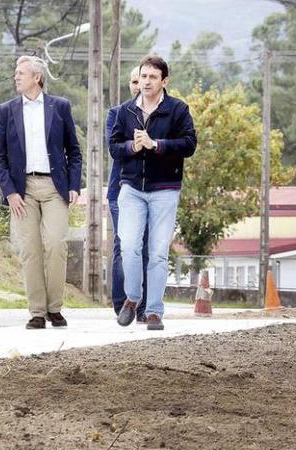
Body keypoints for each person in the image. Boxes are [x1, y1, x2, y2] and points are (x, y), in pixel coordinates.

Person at [0, 55, 83, 329]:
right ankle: (37, 312)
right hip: (22, 191)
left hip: (55, 187)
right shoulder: (6, 110)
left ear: (37, 78)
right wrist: (9, 191)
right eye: (15, 73)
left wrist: (74, 186)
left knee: (56, 244)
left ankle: (55, 308)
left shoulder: (60, 107)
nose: (16, 77)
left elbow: (74, 151)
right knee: (29, 251)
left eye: (21, 73)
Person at [110, 55, 197, 331]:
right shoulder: (126, 111)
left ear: (164, 81)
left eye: (152, 77)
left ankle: (155, 311)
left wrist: (156, 144)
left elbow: (189, 144)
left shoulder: (178, 109)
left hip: (165, 190)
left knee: (158, 252)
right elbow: (114, 147)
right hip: (132, 189)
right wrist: (132, 148)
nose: (146, 82)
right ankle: (132, 299)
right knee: (128, 246)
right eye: (143, 76)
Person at [107, 66, 148, 323]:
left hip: (153, 190)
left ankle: (144, 307)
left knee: (146, 247)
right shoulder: (117, 114)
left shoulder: (165, 114)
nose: (138, 85)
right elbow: (116, 148)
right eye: (134, 81)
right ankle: (123, 304)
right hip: (121, 190)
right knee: (124, 246)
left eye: (143, 79)